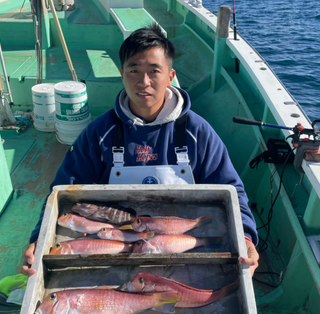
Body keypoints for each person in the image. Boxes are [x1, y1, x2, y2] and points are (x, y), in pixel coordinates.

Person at [22, 24, 259, 277]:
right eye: (134, 70)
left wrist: (245, 237)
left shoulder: (198, 132)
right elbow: (61, 192)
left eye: (154, 71)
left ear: (170, 76)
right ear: (122, 73)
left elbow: (232, 191)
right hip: (116, 251)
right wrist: (40, 237)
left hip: (182, 253)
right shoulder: (98, 133)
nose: (143, 82)